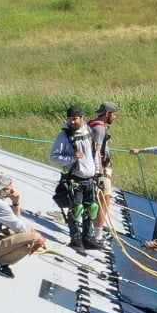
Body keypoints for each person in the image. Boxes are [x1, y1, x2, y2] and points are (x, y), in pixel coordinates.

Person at [50, 106, 105, 252]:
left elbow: (95, 154)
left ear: (82, 118)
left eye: (74, 119)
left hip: (90, 178)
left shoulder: (89, 132)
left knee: (90, 209)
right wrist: (72, 158)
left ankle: (87, 239)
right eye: (70, 119)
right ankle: (75, 239)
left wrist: (98, 172)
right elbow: (54, 157)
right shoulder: (64, 137)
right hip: (75, 179)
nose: (72, 122)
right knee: (76, 210)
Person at [89, 102, 119, 232]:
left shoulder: (91, 125)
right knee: (104, 200)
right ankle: (98, 233)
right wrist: (99, 171)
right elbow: (97, 151)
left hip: (92, 168)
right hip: (100, 171)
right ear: (107, 114)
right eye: (114, 114)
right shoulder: (100, 129)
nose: (115, 117)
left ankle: (90, 229)